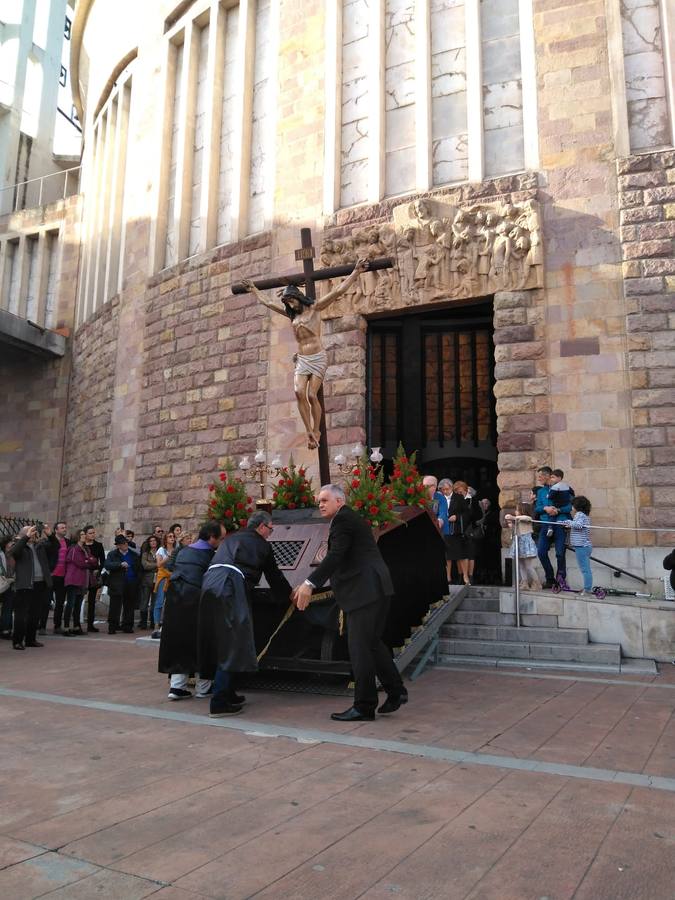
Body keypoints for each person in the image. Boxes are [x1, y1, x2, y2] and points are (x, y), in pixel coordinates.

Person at [292, 484, 407, 722]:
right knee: (372, 644)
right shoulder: (347, 519)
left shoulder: (343, 520)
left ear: (339, 501)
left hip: (365, 592)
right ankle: (396, 691)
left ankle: (364, 706)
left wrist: (309, 583)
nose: (320, 504)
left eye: (324, 500)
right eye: (319, 501)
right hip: (375, 588)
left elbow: (336, 556)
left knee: (359, 648)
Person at [243, 258, 370, 449]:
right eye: (288, 303)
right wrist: (253, 289)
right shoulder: (292, 315)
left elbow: (337, 291)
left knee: (312, 395)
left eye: (292, 301)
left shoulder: (315, 308)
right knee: (298, 392)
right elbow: (268, 303)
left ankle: (316, 429)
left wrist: (356, 272)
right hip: (302, 358)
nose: (292, 306)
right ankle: (309, 432)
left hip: (318, 357)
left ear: (298, 297)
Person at [198, 511, 292, 717]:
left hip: (209, 583)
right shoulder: (263, 545)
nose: (271, 533)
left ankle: (228, 691)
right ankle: (219, 701)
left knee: (219, 640)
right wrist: (289, 596)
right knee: (233, 642)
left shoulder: (231, 538)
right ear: (261, 527)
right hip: (230, 585)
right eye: (271, 529)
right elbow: (274, 576)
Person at [159, 522, 224, 701]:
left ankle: (177, 687)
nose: (222, 541)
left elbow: (172, 568)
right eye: (221, 537)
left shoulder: (184, 551)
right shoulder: (211, 555)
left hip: (175, 600)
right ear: (211, 537)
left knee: (179, 641)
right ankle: (204, 687)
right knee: (204, 641)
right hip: (198, 601)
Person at [9, 524, 52, 650]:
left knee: (35, 614)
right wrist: (25, 538)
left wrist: (49, 534)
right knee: (21, 615)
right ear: (23, 534)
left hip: (39, 584)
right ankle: (17, 641)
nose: (33, 534)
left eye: (33, 532)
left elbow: (55, 547)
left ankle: (30, 639)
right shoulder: (17, 545)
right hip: (24, 585)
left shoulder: (39, 545)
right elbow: (13, 553)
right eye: (30, 532)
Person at [537, 467, 574, 589]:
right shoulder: (541, 492)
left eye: (541, 476)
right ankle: (550, 579)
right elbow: (537, 508)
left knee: (560, 553)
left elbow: (570, 507)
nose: (539, 478)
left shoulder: (565, 488)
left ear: (548, 476)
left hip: (560, 524)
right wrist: (545, 509)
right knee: (541, 552)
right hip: (545, 524)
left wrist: (558, 510)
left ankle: (561, 580)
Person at [104, 534, 141, 634]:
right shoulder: (112, 554)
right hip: (117, 583)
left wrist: (137, 580)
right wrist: (119, 564)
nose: (124, 545)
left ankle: (127, 626)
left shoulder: (134, 554)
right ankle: (113, 626)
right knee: (115, 606)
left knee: (129, 605)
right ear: (118, 545)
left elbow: (138, 568)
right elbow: (107, 565)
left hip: (131, 582)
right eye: (122, 544)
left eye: (125, 543)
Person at [64, 529, 98, 634]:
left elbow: (95, 562)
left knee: (78, 604)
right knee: (71, 603)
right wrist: (88, 561)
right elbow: (80, 563)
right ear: (77, 536)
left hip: (83, 580)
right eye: (82, 534)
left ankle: (76, 627)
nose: (84, 536)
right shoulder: (74, 548)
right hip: (73, 579)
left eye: (84, 534)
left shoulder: (86, 549)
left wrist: (88, 561)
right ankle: (66, 627)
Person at [504, 502, 541, 590]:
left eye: (517, 510)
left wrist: (513, 517)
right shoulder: (517, 520)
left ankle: (537, 582)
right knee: (521, 565)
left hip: (526, 544)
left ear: (522, 510)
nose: (515, 511)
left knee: (528, 565)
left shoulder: (526, 519)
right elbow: (514, 531)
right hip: (518, 544)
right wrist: (510, 524)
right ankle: (524, 582)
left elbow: (526, 518)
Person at [445, 480, 474, 585]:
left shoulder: (459, 498)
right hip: (445, 529)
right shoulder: (440, 498)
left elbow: (467, 514)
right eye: (443, 489)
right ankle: (448, 578)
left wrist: (457, 517)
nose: (445, 491)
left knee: (462, 554)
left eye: (447, 489)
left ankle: (466, 576)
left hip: (459, 530)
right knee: (447, 555)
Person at [563, 496, 593, 595]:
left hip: (582, 546)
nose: (571, 507)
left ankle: (587, 589)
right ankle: (587, 588)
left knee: (585, 569)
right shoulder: (584, 515)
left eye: (572, 505)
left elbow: (579, 525)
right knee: (586, 568)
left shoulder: (579, 514)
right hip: (585, 546)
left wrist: (568, 522)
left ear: (577, 506)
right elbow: (578, 525)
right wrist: (570, 524)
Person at [424, 475, 452, 583]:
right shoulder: (419, 497)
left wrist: (439, 521)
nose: (427, 488)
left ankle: (442, 580)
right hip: (425, 531)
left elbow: (443, 512)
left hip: (439, 531)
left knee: (440, 557)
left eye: (430, 486)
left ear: (435, 487)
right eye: (425, 486)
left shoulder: (440, 498)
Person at [46, 521, 70, 634]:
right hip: (51, 575)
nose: (65, 529)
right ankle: (41, 625)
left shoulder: (68, 542)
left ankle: (57, 626)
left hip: (63, 576)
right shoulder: (49, 542)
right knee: (46, 602)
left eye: (65, 527)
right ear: (56, 530)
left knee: (60, 603)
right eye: (62, 528)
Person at [152, 530, 176, 637]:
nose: (172, 538)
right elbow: (158, 564)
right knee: (160, 601)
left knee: (171, 602)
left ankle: (167, 624)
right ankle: (156, 625)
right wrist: (168, 557)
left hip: (173, 577)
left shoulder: (176, 550)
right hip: (163, 577)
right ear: (166, 540)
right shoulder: (161, 550)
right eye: (170, 536)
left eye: (173, 536)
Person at [83, 525, 105, 632]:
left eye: (93, 533)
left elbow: (103, 561)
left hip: (94, 575)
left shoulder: (98, 545)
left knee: (92, 600)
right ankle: (76, 623)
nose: (92, 535)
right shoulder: (81, 545)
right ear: (85, 534)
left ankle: (90, 625)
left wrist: (98, 570)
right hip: (82, 574)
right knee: (78, 599)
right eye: (90, 533)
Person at [138, 535, 159, 629]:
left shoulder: (160, 552)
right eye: (151, 541)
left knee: (155, 602)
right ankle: (143, 622)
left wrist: (154, 565)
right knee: (144, 602)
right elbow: (145, 565)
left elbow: (164, 564)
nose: (153, 542)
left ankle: (153, 622)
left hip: (157, 580)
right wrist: (157, 565)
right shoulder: (145, 553)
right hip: (146, 580)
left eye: (154, 540)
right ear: (149, 543)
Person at [0, 535, 16, 639]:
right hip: (2, 583)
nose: (13, 544)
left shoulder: (15, 555)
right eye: (11, 542)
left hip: (11, 584)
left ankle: (6, 630)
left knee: (8, 607)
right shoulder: (1, 555)